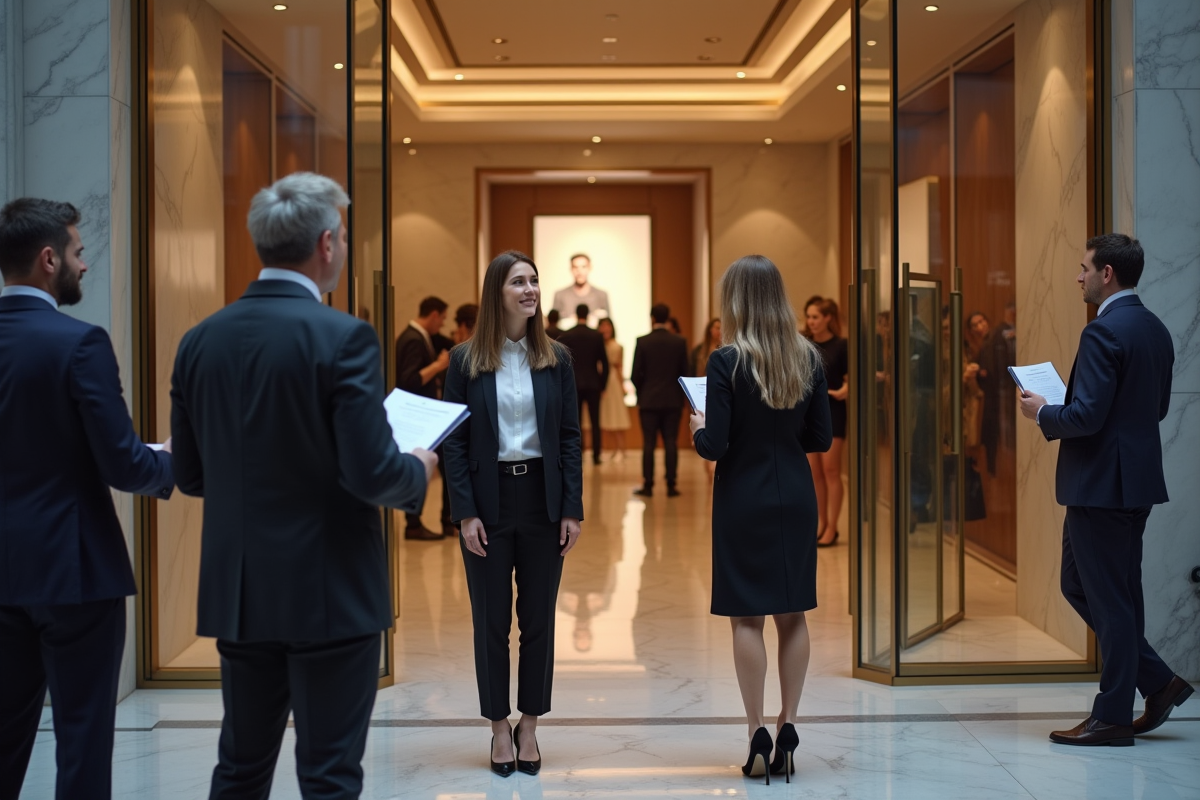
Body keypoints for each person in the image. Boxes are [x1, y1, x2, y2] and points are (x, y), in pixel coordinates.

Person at [169, 173, 437, 798]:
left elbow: (190, 474)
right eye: (343, 237)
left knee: (239, 767)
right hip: (330, 590)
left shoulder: (199, 341)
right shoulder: (341, 336)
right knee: (329, 774)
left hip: (241, 592)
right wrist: (419, 467)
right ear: (326, 244)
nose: (342, 248)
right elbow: (372, 473)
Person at [0, 199, 175, 800]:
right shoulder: (79, 343)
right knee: (82, 739)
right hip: (76, 572)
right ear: (49, 260)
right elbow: (123, 463)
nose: (85, 263)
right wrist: (173, 459)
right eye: (78, 252)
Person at [1018, 234, 1192, 746]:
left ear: (1107, 273)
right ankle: (1159, 683)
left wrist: (1042, 412)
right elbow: (1155, 409)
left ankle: (1112, 716)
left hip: (1100, 487)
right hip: (1133, 483)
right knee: (1086, 587)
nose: (1079, 277)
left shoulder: (1102, 332)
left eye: (1084, 268)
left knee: (1112, 603)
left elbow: (1086, 416)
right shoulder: (1155, 329)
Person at [442, 250, 583, 777]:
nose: (530, 289)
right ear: (495, 293)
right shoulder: (464, 361)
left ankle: (530, 723)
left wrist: (572, 508)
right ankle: (498, 726)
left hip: (543, 503)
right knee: (490, 622)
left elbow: (570, 438)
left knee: (539, 621)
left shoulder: (557, 359)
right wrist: (464, 513)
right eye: (518, 282)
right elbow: (453, 443)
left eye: (534, 281)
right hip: (488, 505)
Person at [691, 255, 831, 784]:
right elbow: (819, 437)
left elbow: (715, 445)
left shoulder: (725, 360)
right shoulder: (807, 357)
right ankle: (788, 723)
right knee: (793, 614)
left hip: (741, 499)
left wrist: (700, 425)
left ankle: (755, 731)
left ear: (735, 301)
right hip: (795, 496)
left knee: (746, 617)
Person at [396, 296, 453, 540]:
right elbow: (410, 379)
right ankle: (413, 523)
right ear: (433, 315)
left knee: (438, 467)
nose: (441, 324)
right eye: (441, 319)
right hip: (419, 415)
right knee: (427, 468)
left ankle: (431, 521)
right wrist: (439, 366)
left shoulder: (416, 337)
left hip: (423, 414)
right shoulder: (413, 339)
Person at [802, 297, 848, 546]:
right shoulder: (805, 345)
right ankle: (820, 523)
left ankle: (833, 525)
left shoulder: (841, 345)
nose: (811, 322)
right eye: (808, 317)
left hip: (833, 409)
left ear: (828, 318)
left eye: (816, 317)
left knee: (831, 469)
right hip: (809, 410)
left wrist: (846, 389)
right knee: (814, 472)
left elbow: (851, 377)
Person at [631, 303, 689, 497]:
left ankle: (648, 485)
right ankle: (671, 484)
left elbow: (634, 375)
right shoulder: (679, 342)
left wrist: (643, 392)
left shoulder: (643, 341)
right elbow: (685, 373)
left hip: (648, 401)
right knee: (670, 441)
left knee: (649, 443)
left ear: (652, 318)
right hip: (672, 401)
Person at [558, 303, 610, 465]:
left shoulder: (568, 334)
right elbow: (605, 363)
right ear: (587, 315)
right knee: (595, 421)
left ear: (576, 314)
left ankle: (577, 453)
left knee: (576, 421)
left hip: (574, 384)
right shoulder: (596, 336)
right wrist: (602, 385)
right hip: (593, 383)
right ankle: (596, 455)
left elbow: (563, 363)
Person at [597, 317, 631, 460]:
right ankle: (605, 448)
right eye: (602, 326)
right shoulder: (597, 345)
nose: (605, 329)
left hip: (613, 381)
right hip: (599, 380)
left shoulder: (617, 346)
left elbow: (619, 367)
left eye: (607, 326)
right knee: (603, 416)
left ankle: (620, 449)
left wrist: (623, 384)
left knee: (616, 415)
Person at [551, 253, 610, 324]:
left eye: (583, 267)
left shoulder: (601, 295)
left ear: (589, 268)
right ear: (571, 269)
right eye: (575, 267)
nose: (579, 271)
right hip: (567, 334)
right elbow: (553, 325)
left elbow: (608, 326)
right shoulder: (560, 295)